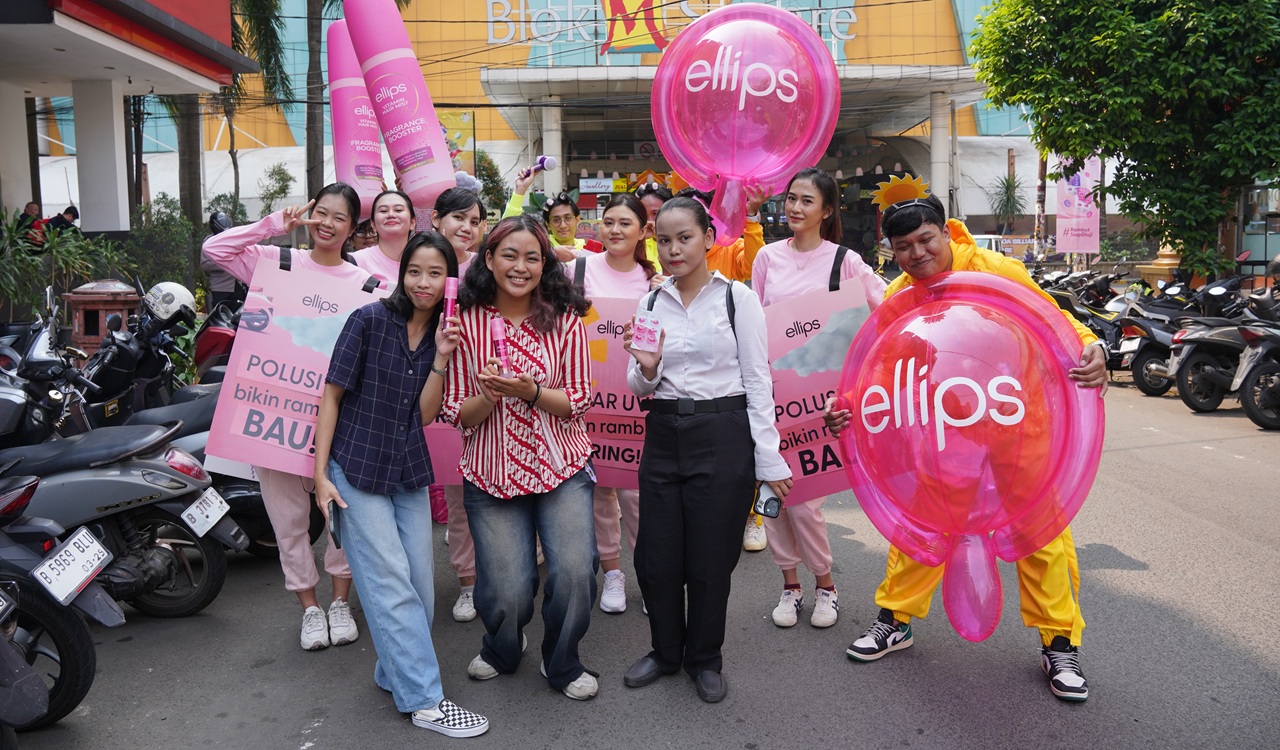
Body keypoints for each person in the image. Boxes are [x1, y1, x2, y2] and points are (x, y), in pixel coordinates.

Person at [822, 192, 1106, 702]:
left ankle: (1060, 643)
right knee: (925, 521)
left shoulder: (997, 271)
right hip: (946, 431)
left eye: (925, 239)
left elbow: (1053, 320)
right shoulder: (900, 298)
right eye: (903, 246)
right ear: (892, 251)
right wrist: (847, 404)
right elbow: (880, 369)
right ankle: (895, 620)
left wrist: (1092, 346)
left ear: (946, 232)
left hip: (1018, 419)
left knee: (1038, 531)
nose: (917, 254)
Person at [312, 231, 489, 738]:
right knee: (390, 585)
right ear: (401, 273)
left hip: (408, 470)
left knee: (420, 592)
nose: (423, 282)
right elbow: (331, 397)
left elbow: (426, 415)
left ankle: (393, 671)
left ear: (450, 280)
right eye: (415, 271)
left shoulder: (445, 335)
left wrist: (441, 357)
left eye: (435, 273)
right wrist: (321, 476)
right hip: (355, 467)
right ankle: (425, 701)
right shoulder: (367, 320)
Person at [620, 197, 792, 704]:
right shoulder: (651, 303)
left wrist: (768, 458)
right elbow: (638, 386)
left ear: (708, 238)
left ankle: (705, 657)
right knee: (656, 557)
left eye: (684, 238)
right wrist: (647, 366)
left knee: (711, 559)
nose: (673, 249)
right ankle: (665, 652)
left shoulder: (737, 298)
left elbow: (758, 381)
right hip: (663, 432)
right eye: (663, 240)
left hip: (723, 432)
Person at [203, 182, 373, 651]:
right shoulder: (276, 262)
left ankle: (340, 603)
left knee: (342, 519)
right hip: (275, 423)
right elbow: (215, 249)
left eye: (340, 217)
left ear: (352, 228)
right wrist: (274, 224)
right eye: (321, 212)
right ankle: (310, 609)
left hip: (339, 425)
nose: (327, 224)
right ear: (309, 213)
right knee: (288, 523)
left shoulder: (366, 285)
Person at [441, 214, 600, 701]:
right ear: (488, 259)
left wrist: (531, 392)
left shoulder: (564, 318)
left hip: (561, 466)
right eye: (509, 255)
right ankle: (503, 647)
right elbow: (455, 412)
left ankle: (563, 660)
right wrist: (489, 396)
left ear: (544, 264)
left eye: (533, 257)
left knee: (575, 572)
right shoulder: (463, 322)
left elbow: (578, 399)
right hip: (492, 471)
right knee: (506, 589)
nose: (520, 266)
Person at [751, 168, 886, 629]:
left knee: (805, 501)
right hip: (772, 397)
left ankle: (825, 585)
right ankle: (789, 586)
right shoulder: (767, 257)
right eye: (791, 198)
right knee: (772, 494)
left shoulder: (845, 262)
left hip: (823, 405)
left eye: (807, 201)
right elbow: (755, 324)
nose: (795, 207)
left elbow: (884, 311)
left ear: (827, 211)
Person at [672, 186, 774, 553]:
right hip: (687, 372)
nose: (678, 243)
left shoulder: (729, 251)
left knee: (741, 451)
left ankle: (753, 518)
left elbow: (755, 265)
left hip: (727, 362)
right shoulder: (672, 258)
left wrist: (752, 219)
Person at [570, 193, 659, 614]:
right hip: (587, 399)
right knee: (599, 491)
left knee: (638, 495)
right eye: (609, 222)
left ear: (643, 231)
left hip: (639, 401)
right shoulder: (578, 271)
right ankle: (613, 574)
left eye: (626, 223)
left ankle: (650, 576)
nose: (615, 230)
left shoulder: (654, 281)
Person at [428, 186, 488, 623]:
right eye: (458, 218)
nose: (466, 228)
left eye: (474, 221)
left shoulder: (487, 268)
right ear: (436, 219)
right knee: (456, 495)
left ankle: (505, 572)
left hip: (485, 393)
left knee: (492, 494)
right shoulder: (421, 263)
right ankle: (468, 582)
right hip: (435, 391)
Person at [351, 190, 418, 287]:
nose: (391, 215)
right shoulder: (356, 261)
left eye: (398, 210)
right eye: (383, 211)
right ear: (373, 224)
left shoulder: (425, 261)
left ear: (412, 222)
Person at [201, 211, 244, 311]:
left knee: (240, 314)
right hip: (221, 287)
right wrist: (224, 263)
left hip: (237, 285)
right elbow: (204, 264)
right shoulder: (209, 242)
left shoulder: (233, 239)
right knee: (220, 314)